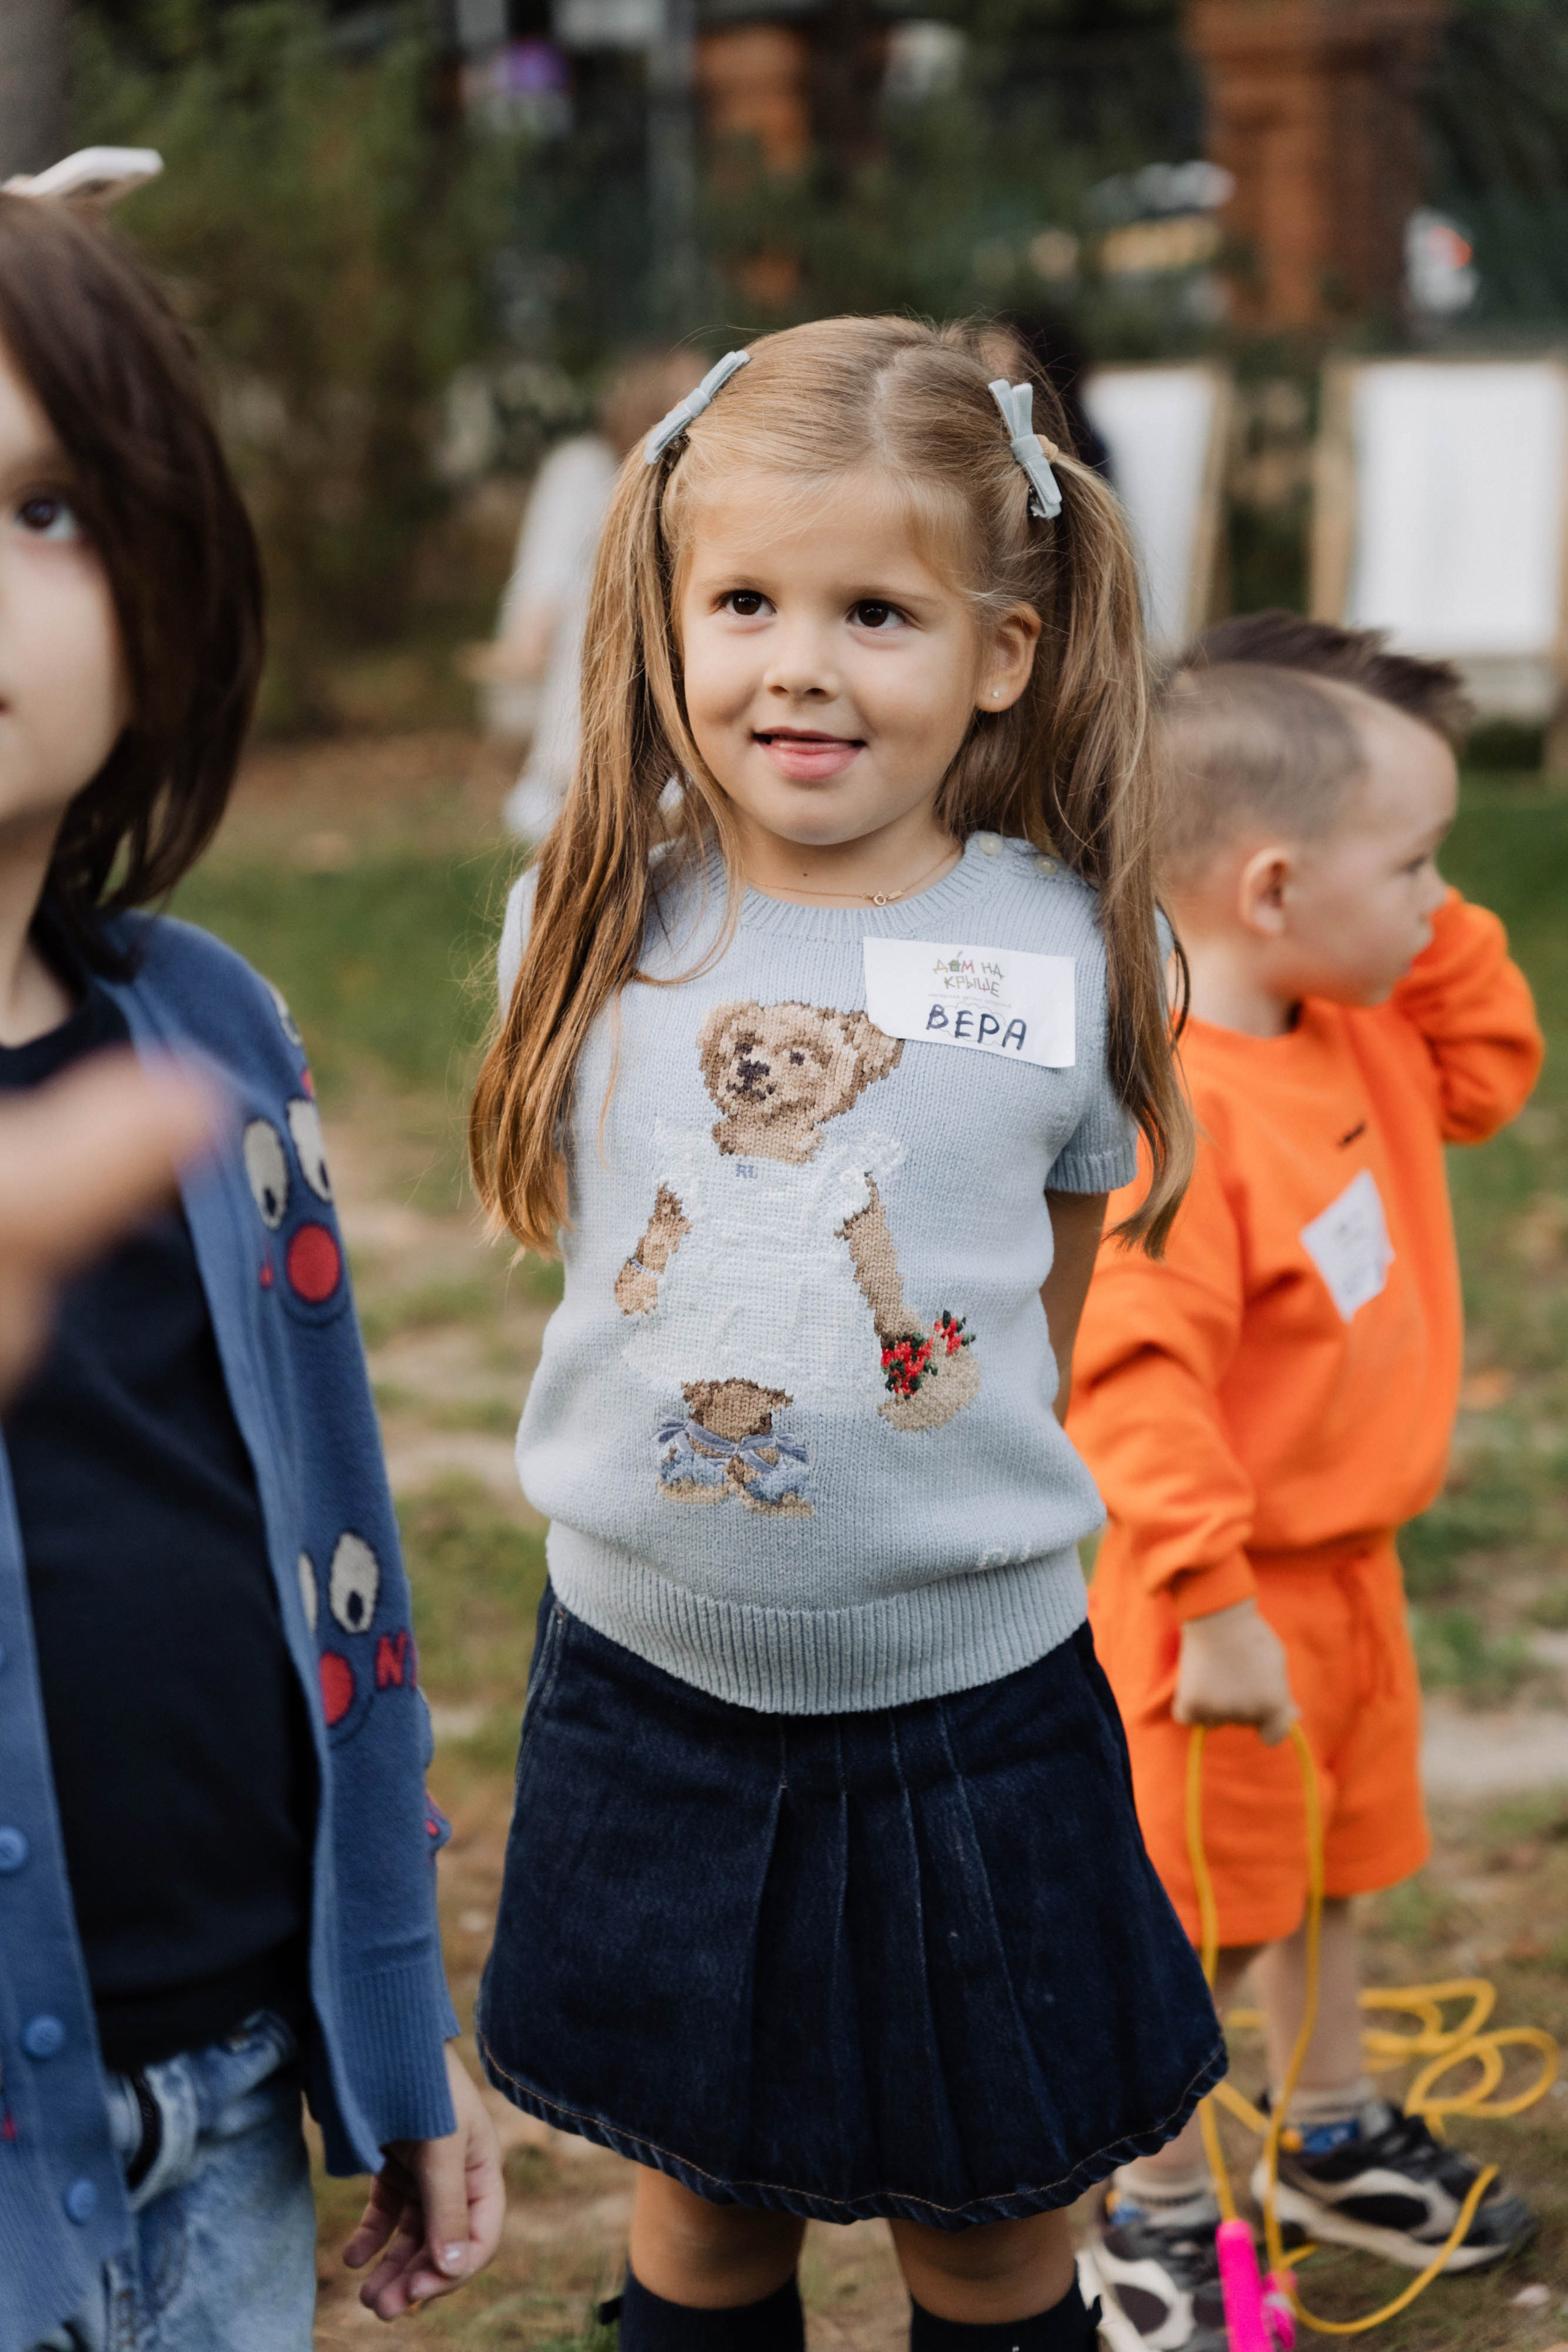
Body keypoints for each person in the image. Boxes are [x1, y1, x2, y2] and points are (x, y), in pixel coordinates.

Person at [467, 317, 1225, 2352]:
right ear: (670, 612)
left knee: (988, 2240)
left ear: (1004, 647)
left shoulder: (1071, 947)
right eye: (747, 603)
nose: (798, 663)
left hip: (969, 1716)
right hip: (650, 1700)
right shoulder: (602, 914)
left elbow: (1037, 1314)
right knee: (704, 2228)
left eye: (875, 609)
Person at [0, 180, 502, 2352]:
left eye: (42, 509)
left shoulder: (208, 1029)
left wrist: (394, 2039)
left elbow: (343, 1569)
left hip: (225, 2116)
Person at [1068, 616, 1544, 2352]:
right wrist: (1212, 1601)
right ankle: (1160, 2207)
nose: (1442, 906)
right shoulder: (1172, 1124)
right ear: (1270, 891)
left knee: (1336, 1871)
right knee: (1189, 1918)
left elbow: (1493, 1070)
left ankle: (1328, 2129)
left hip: (1351, 1575)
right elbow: (1130, 1381)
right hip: (1222, 1610)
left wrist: (1414, 903)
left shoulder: (1359, 1032)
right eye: (1418, 865)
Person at [473, 349, 707, 835]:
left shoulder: (705, 487)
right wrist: (524, 655)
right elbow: (544, 580)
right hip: (586, 747)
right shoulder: (584, 470)